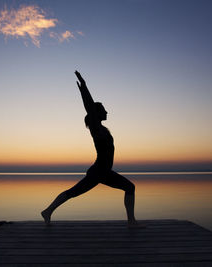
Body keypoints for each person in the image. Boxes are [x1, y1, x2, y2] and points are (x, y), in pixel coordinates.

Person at [41, 71, 142, 227]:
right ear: (98, 113)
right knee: (128, 187)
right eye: (104, 109)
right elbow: (90, 108)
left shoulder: (102, 129)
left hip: (102, 171)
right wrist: (84, 87)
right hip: (99, 172)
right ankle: (131, 221)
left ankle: (47, 211)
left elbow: (92, 111)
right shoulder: (97, 129)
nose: (107, 111)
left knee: (73, 192)